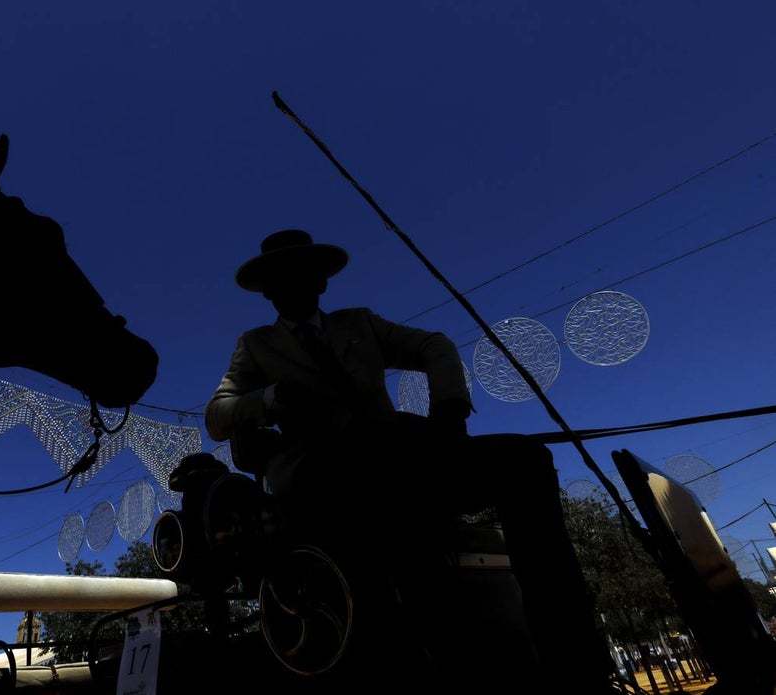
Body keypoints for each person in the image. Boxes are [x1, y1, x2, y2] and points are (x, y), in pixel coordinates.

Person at [204, 228, 618, 694]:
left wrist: (448, 413)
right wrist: (271, 397)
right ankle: (453, 668)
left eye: (303, 274)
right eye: (280, 279)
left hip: (403, 453)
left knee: (525, 459)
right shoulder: (255, 344)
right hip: (326, 477)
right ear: (267, 293)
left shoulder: (358, 322)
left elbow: (434, 346)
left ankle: (578, 669)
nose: (292, 284)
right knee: (398, 519)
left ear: (322, 282)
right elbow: (217, 415)